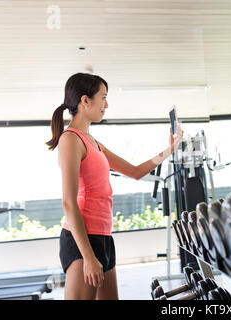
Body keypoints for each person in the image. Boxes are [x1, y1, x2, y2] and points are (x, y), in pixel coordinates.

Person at [46, 73, 183, 300]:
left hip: (103, 237)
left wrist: (170, 149)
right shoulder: (70, 140)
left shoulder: (93, 142)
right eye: (103, 97)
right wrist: (88, 257)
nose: (106, 104)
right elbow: (68, 202)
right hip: (83, 240)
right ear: (85, 101)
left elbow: (136, 171)